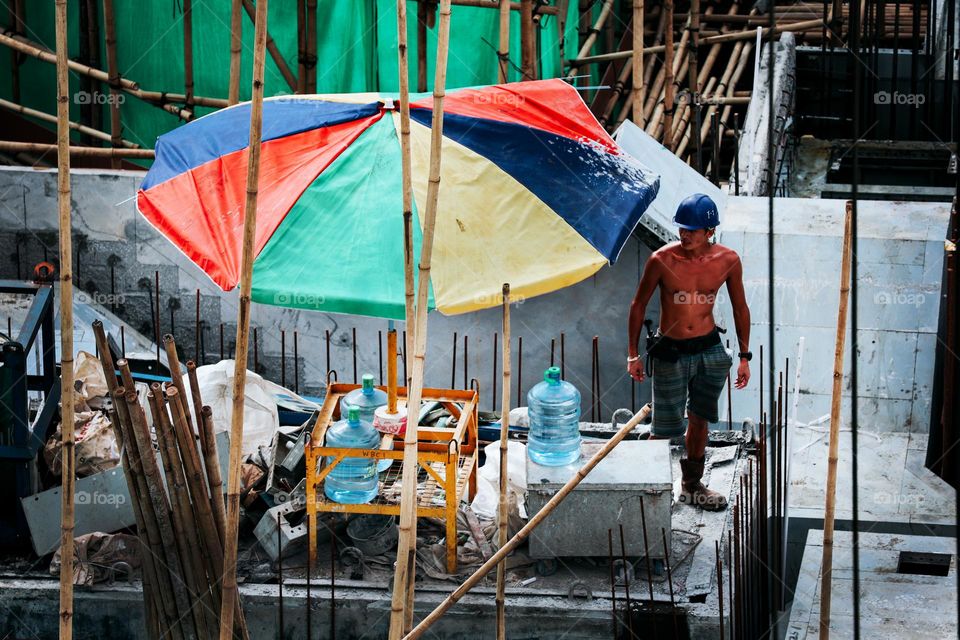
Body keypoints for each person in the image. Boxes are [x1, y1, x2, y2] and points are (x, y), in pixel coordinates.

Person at [627, 193, 751, 511]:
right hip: (671, 350)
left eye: (692, 230)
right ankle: (646, 488)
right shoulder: (662, 260)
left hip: (708, 348)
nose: (685, 235)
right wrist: (633, 354)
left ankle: (692, 485)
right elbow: (638, 304)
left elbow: (740, 307)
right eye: (682, 228)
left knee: (700, 421)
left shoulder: (728, 261)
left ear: (709, 231)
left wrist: (744, 357)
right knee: (664, 427)